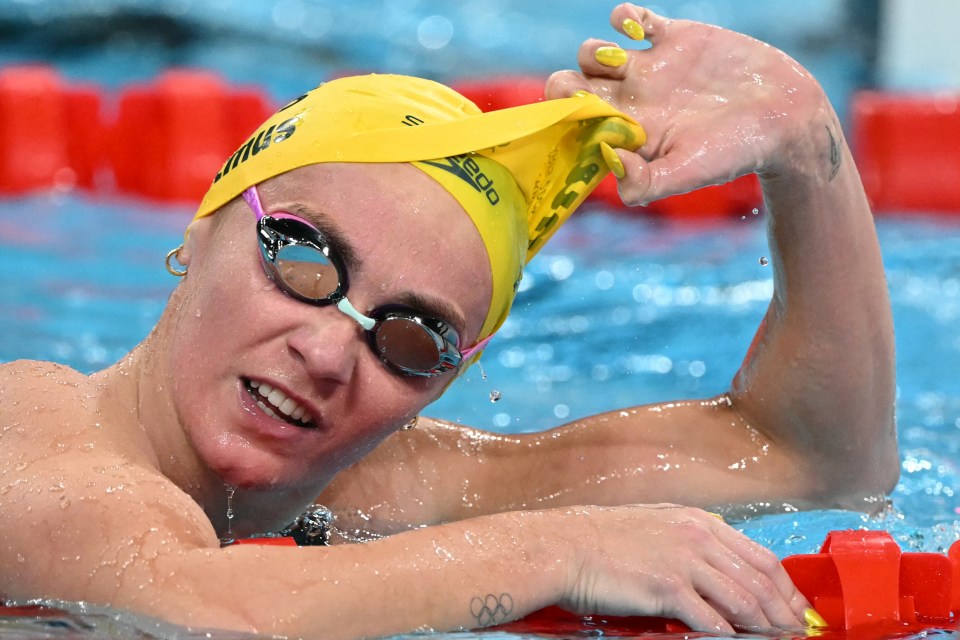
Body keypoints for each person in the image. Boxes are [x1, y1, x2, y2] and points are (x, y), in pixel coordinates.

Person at [0, 3, 896, 638]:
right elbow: (199, 610)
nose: (324, 351)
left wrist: (805, 146)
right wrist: (564, 547)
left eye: (408, 339)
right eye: (303, 260)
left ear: (448, 380)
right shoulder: (44, 442)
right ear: (204, 227)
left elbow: (817, 462)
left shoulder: (367, 490)